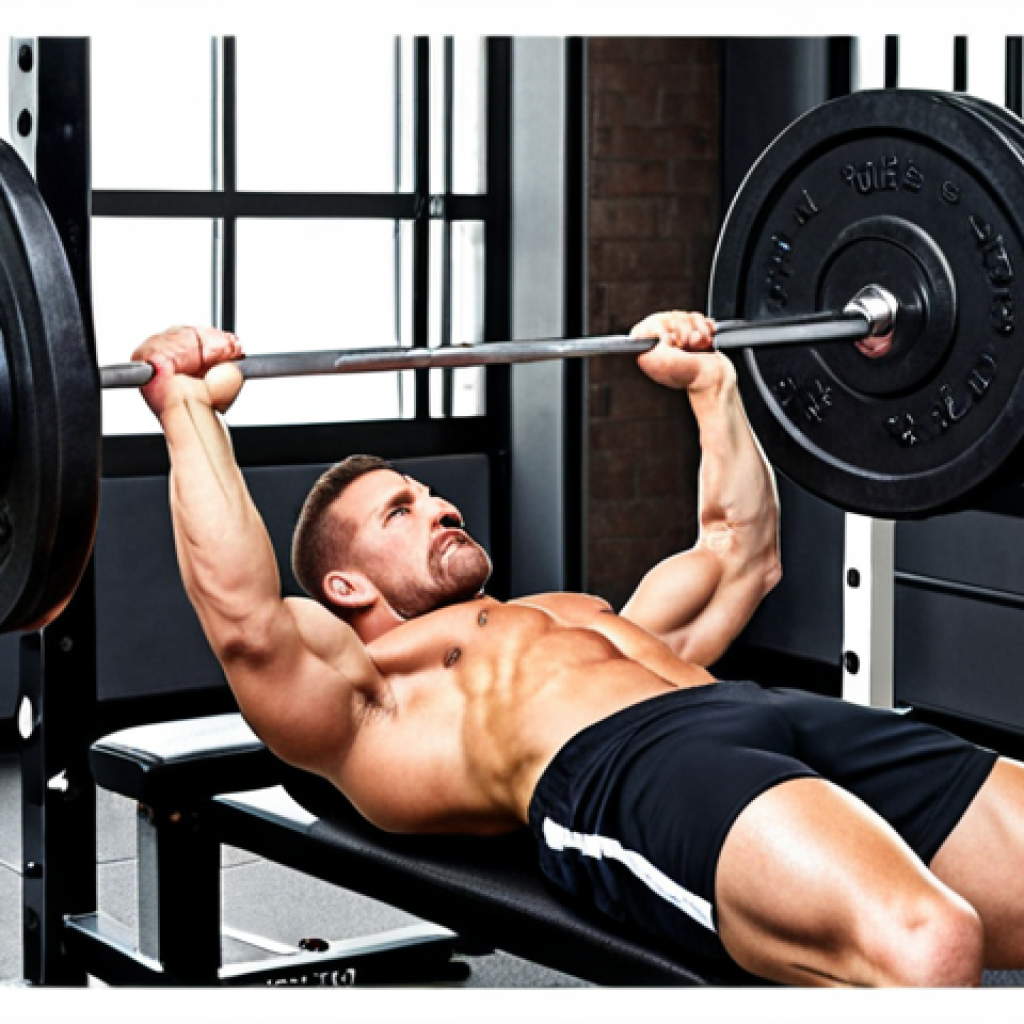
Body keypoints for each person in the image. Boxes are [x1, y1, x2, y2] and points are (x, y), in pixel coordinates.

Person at [132, 312, 1024, 988]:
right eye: (398, 513)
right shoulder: (375, 694)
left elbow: (739, 553)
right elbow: (247, 622)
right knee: (926, 945)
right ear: (345, 589)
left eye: (431, 493)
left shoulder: (577, 613)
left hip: (767, 711)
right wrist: (188, 413)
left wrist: (709, 383)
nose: (440, 507)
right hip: (630, 772)